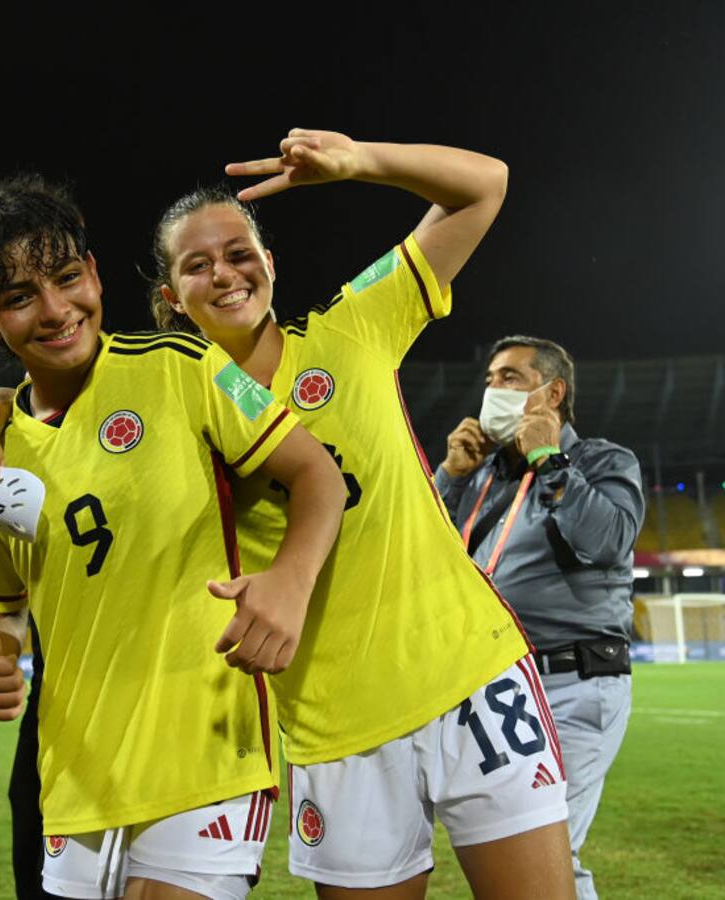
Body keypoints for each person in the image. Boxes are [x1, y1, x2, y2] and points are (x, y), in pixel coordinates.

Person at [144, 130, 577, 899]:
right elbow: (50, 406)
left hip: (469, 676)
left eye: (240, 252)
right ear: (171, 298)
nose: (226, 272)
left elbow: (485, 184)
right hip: (334, 726)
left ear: (270, 264)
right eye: (197, 264)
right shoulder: (168, 414)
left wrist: (360, 163)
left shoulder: (353, 325)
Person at [0, 174, 346, 899]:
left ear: (94, 273)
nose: (57, 310)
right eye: (20, 297)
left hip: (206, 752)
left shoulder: (182, 367)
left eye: (67, 278)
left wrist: (290, 580)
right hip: (75, 777)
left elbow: (319, 478)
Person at [436, 335, 643, 899]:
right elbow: (426, 561)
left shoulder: (603, 460)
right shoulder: (483, 476)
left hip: (573, 683)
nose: (492, 389)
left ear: (552, 393)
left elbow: (606, 539)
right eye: (489, 379)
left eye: (510, 378)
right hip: (500, 688)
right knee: (517, 851)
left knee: (545, 849)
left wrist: (549, 460)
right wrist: (451, 478)